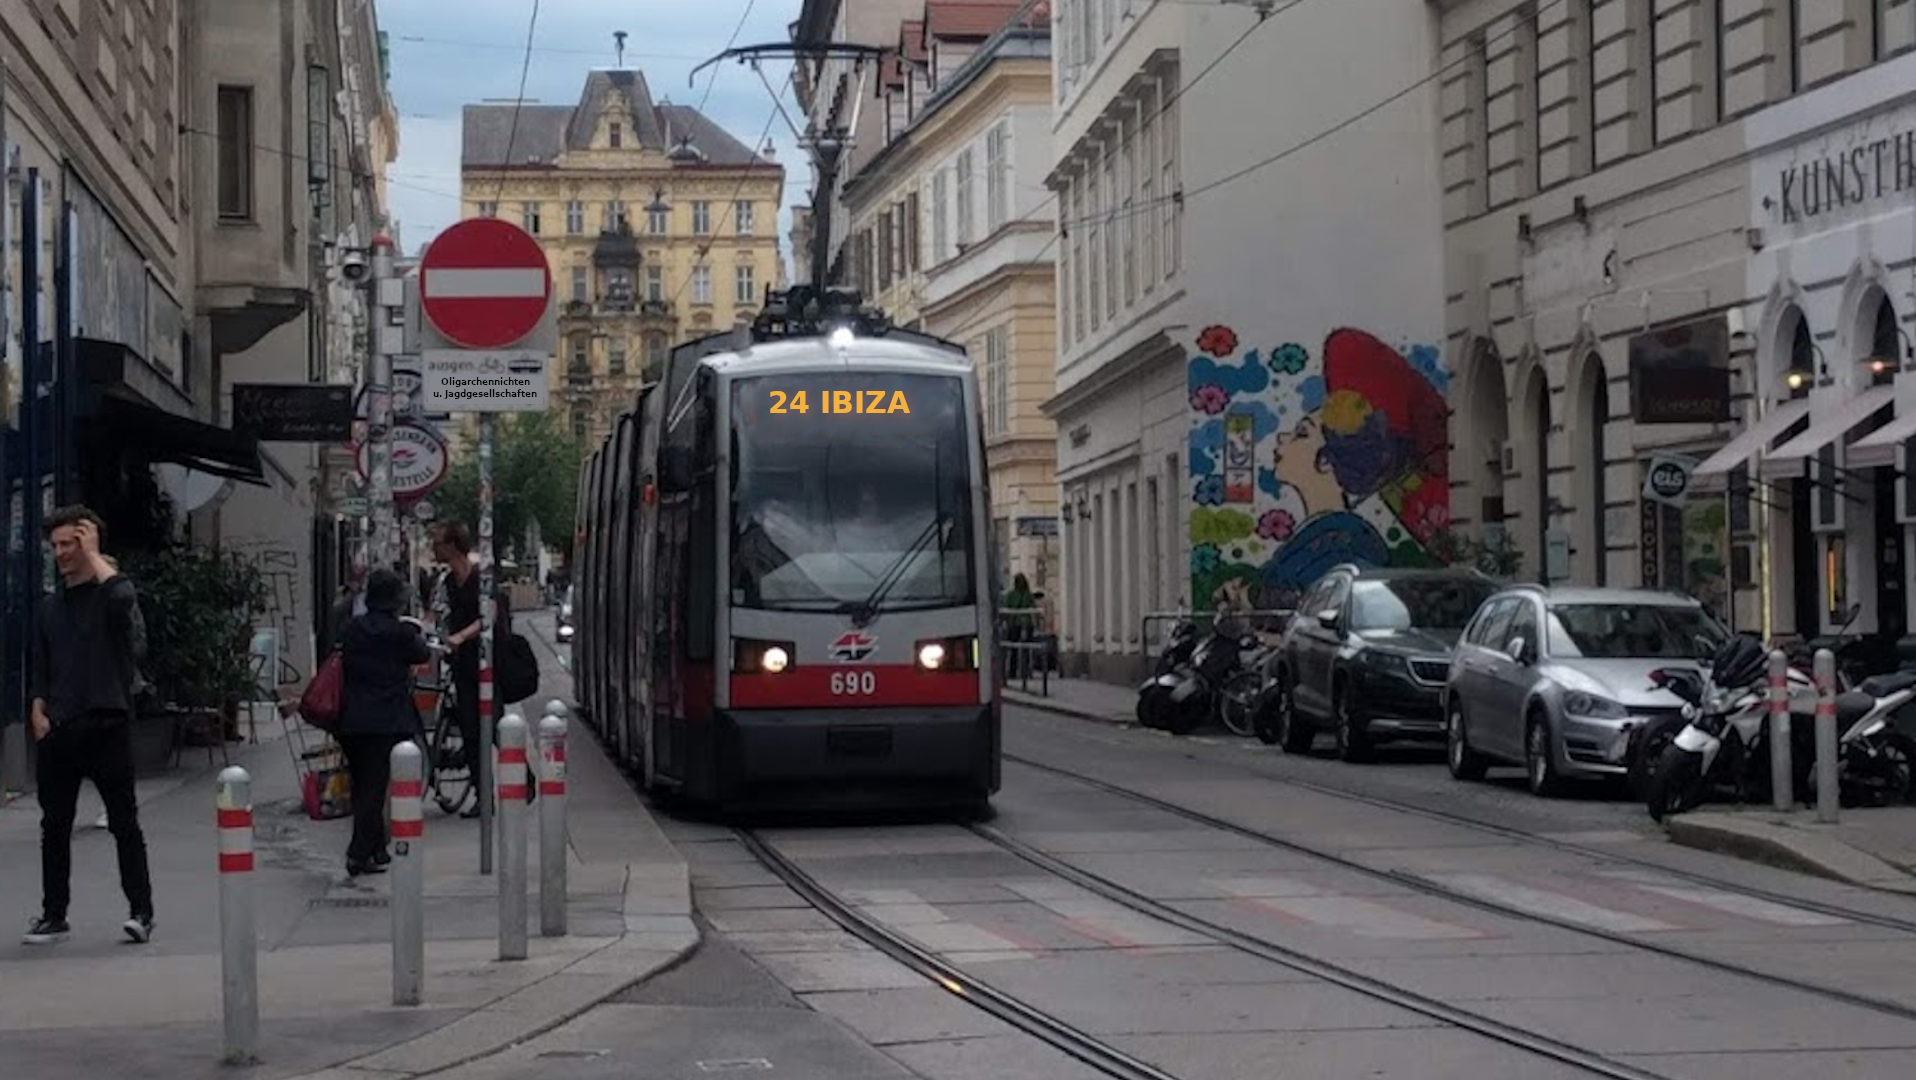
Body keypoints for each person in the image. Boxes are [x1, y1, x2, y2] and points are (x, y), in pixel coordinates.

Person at [24, 506, 154, 945]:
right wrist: (38, 709)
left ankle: (141, 911)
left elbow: (124, 600)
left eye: (69, 544)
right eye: (55, 545)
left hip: (106, 724)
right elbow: (41, 663)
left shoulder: (110, 597)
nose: (60, 553)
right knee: (54, 826)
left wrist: (97, 554)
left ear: (88, 544)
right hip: (59, 728)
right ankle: (53, 913)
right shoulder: (49, 607)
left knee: (124, 822)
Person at [338, 569, 434, 876]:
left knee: (362, 785)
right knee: (375, 790)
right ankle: (358, 853)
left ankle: (377, 850)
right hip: (387, 720)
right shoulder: (400, 633)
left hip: (352, 719)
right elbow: (422, 655)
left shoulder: (353, 629)